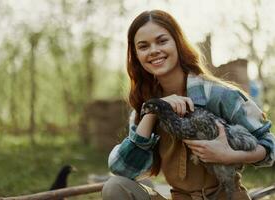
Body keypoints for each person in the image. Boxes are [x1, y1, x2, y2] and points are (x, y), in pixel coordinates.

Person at [102, 10, 275, 200]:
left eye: (162, 41)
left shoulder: (218, 94)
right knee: (116, 187)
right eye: (143, 46)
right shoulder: (143, 109)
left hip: (226, 196)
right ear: (136, 55)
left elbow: (269, 145)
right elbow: (123, 170)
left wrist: (229, 156)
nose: (153, 50)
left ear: (177, 43)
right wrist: (155, 109)